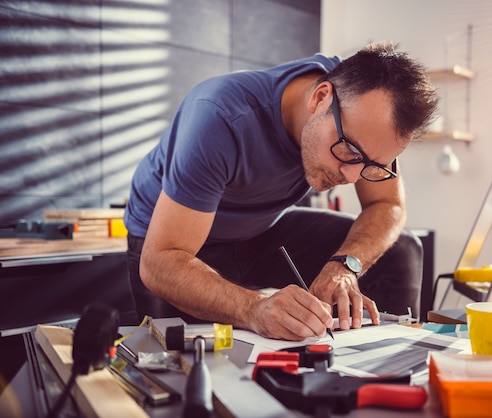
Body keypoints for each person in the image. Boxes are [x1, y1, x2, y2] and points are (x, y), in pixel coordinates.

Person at [124, 42, 438, 341]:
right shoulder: (221, 116)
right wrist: (254, 308)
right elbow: (159, 262)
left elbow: (388, 204)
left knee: (402, 250)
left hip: (260, 230)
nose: (352, 175)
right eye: (349, 151)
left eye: (372, 164)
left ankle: (381, 364)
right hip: (175, 246)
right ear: (319, 99)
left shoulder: (361, 112)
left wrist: (344, 267)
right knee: (186, 370)